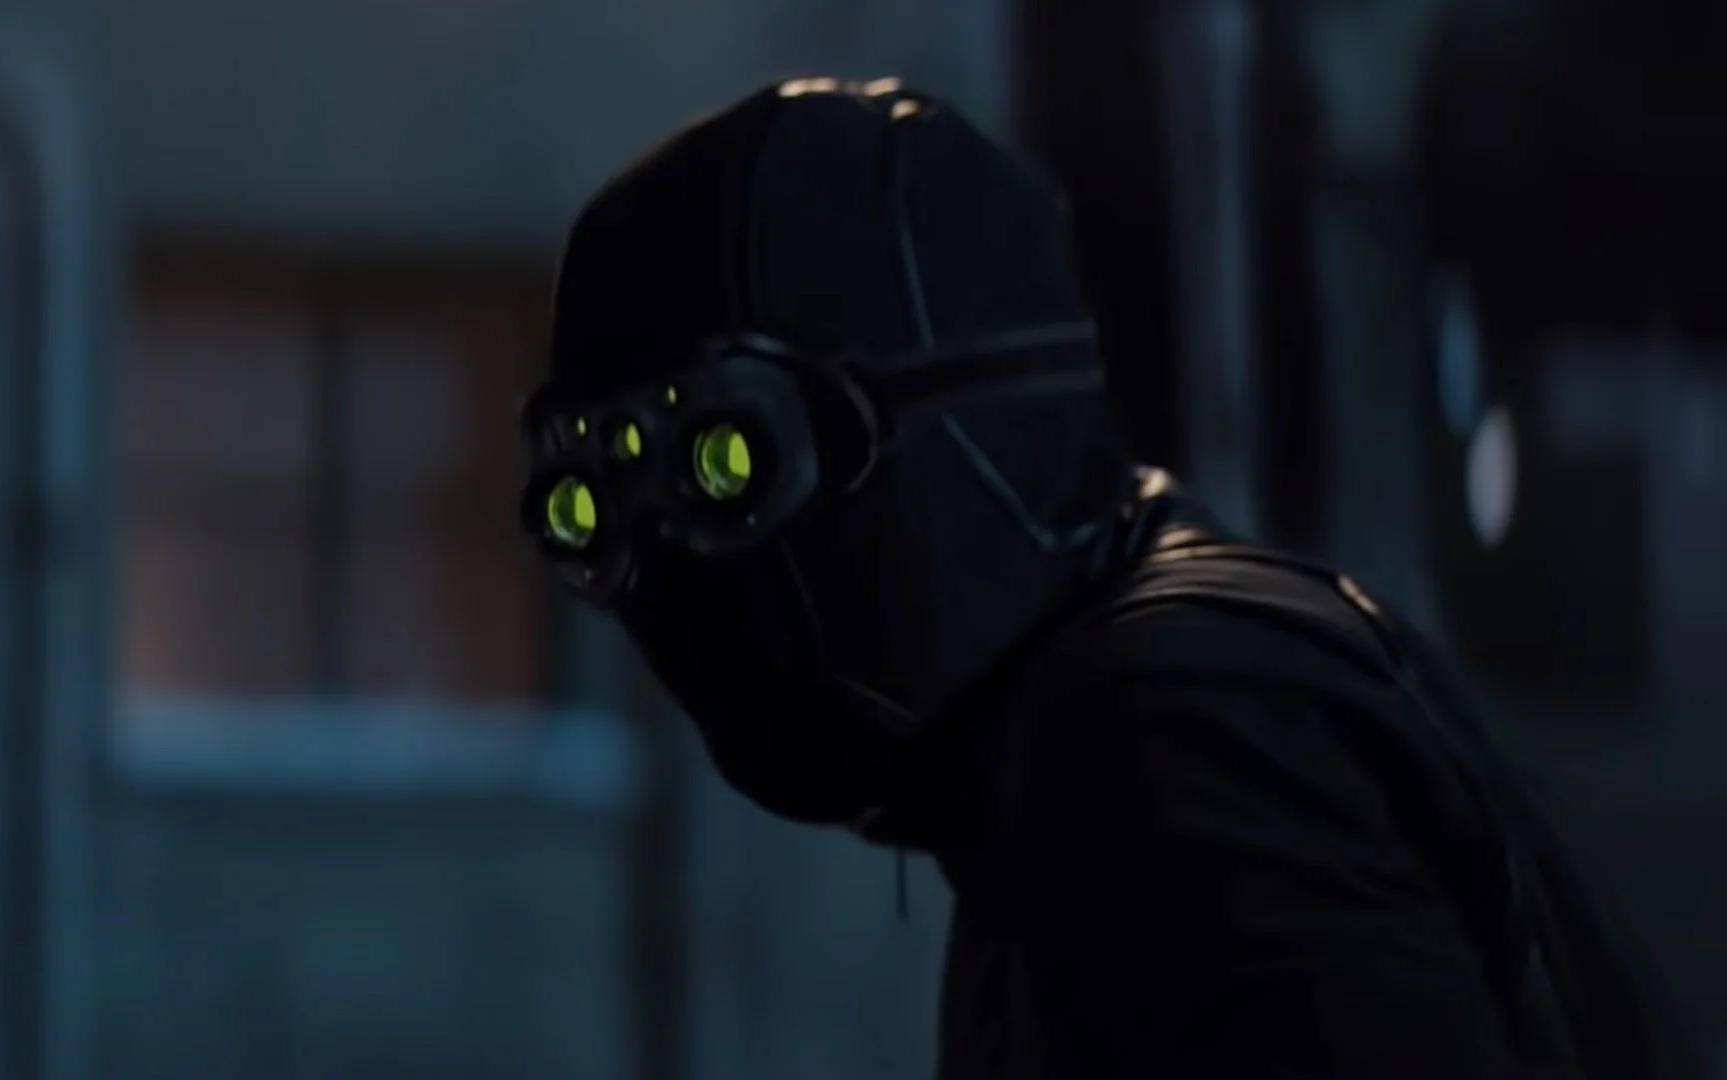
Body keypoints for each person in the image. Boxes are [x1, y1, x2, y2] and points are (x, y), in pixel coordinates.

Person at [515, 78, 1688, 1079]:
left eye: (727, 460)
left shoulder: (1168, 731)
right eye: (593, 511)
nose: (675, 575)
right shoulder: (1121, 720)